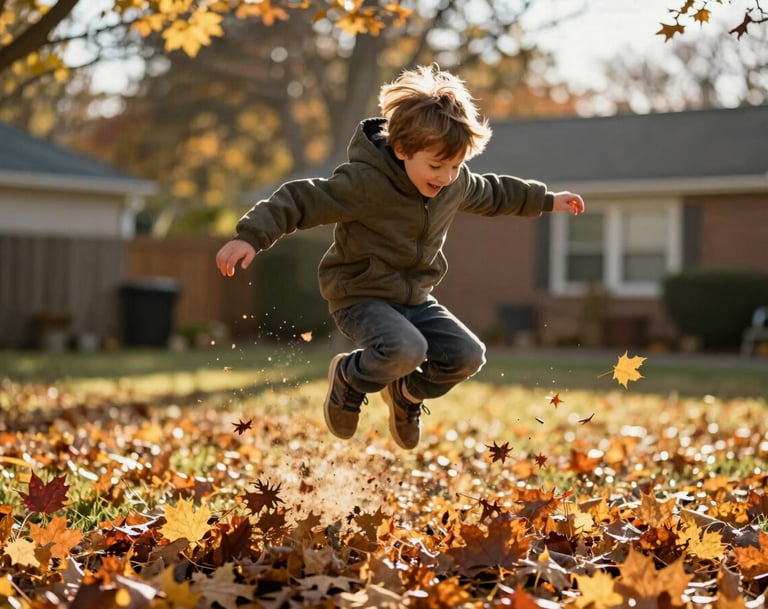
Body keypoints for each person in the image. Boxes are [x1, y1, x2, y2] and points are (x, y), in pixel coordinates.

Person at [216, 64, 585, 450]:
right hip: (360, 296)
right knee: (408, 349)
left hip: (415, 299)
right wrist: (250, 237)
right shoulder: (365, 183)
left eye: (456, 165)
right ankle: (348, 378)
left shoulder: (453, 185)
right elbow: (301, 199)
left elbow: (494, 193)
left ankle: (407, 396)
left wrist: (545, 200)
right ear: (403, 149)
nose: (445, 177)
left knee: (468, 355)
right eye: (436, 165)